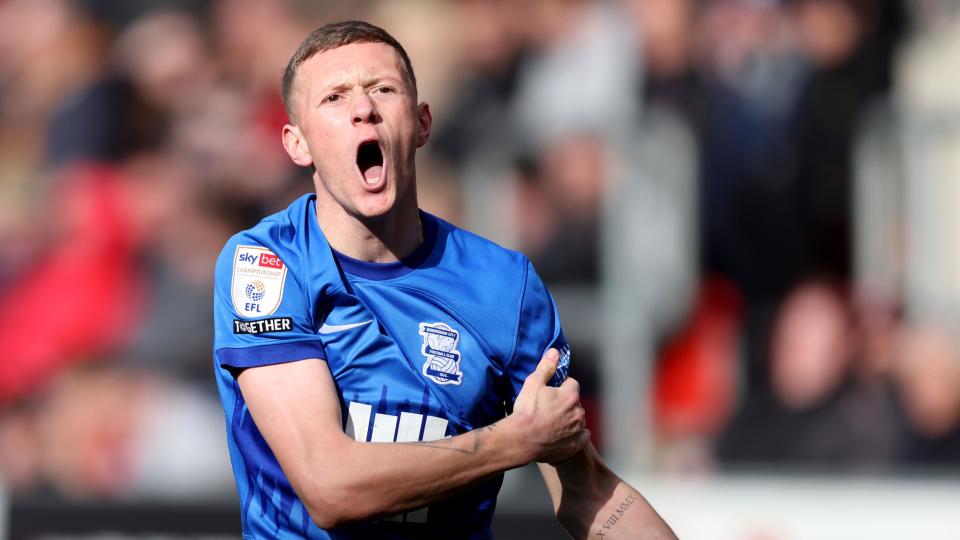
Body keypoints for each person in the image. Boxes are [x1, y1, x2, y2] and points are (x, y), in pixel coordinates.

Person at [212, 20, 676, 539]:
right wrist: (516, 441)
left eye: (382, 89)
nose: (363, 108)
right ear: (297, 144)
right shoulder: (269, 263)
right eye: (335, 98)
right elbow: (330, 488)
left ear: (422, 123)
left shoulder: (505, 286)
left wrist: (540, 441)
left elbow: (589, 492)